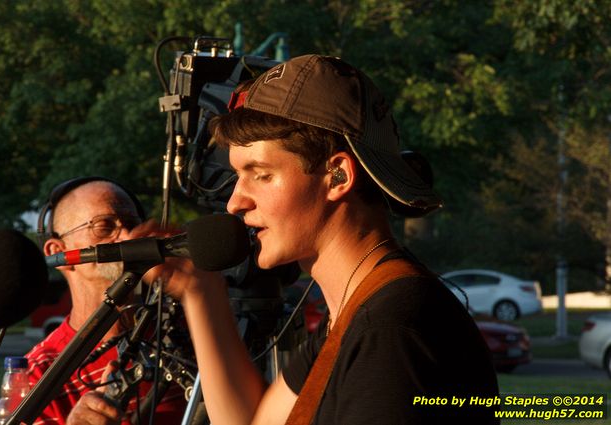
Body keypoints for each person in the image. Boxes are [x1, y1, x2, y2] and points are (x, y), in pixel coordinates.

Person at [81, 54, 500, 424]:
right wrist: (200, 293)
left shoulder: (392, 331)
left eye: (261, 175)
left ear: (337, 175)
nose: (234, 204)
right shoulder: (353, 313)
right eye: (236, 176)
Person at [26, 177, 186, 425]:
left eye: (132, 225)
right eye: (104, 226)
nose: (126, 237)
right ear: (59, 253)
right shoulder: (36, 374)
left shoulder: (186, 330)